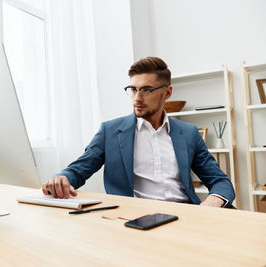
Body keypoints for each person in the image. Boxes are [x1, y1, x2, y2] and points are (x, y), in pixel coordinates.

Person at [42, 57, 235, 208]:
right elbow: (78, 170)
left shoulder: (189, 133)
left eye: (146, 90)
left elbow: (219, 180)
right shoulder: (110, 131)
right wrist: (62, 179)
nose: (137, 98)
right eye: (133, 89)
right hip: (132, 217)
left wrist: (213, 201)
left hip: (184, 214)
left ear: (167, 93)